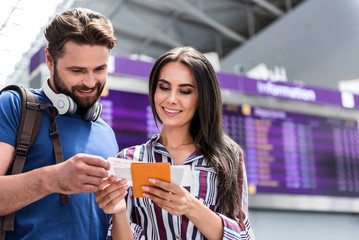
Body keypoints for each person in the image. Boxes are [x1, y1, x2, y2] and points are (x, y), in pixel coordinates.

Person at [96, 47, 255, 239]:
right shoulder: (130, 159)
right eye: (164, 87)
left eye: (185, 91)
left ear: (202, 98)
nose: (171, 99)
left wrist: (189, 205)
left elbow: (244, 236)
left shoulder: (228, 157)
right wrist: (119, 212)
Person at [0, 8, 119, 239]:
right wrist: (52, 179)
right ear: (49, 60)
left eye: (100, 69)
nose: (90, 82)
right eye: (77, 70)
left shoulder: (106, 132)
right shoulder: (14, 106)